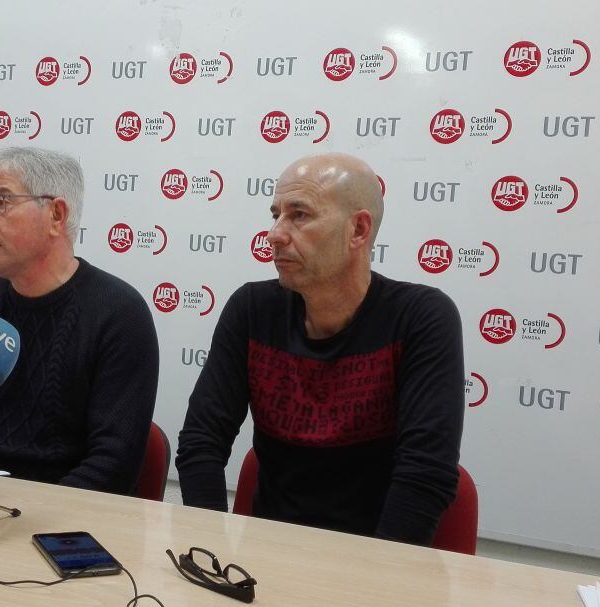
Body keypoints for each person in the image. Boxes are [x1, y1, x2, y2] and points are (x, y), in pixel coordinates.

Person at [176, 153, 464, 544]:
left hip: (378, 563)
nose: (275, 233)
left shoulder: (420, 318)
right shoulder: (252, 310)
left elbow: (425, 474)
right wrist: (210, 551)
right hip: (266, 558)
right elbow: (201, 441)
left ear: (358, 230)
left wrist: (378, 579)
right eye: (275, 214)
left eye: (299, 215)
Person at [0, 147, 159, 495]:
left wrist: (23, 516)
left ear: (56, 215)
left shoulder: (118, 313)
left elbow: (113, 463)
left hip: (63, 519)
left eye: (1, 202)